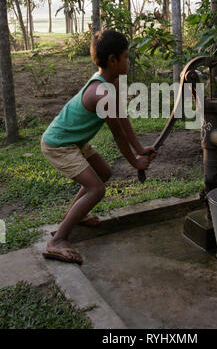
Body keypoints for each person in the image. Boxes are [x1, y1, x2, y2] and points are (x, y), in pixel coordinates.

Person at [40, 29, 156, 265]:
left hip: (74, 142)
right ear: (113, 60)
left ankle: (77, 216)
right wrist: (135, 162)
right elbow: (117, 134)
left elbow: (122, 120)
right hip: (59, 145)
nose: (129, 61)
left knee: (104, 173)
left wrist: (140, 148)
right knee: (96, 189)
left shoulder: (108, 83)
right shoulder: (103, 92)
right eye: (126, 56)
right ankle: (57, 241)